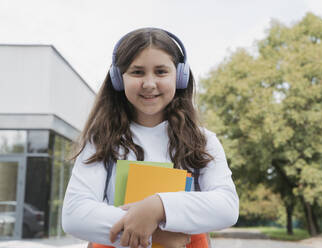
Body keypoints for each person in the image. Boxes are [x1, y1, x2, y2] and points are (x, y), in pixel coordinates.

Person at [61, 27, 239, 248]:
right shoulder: (101, 141)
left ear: (180, 76)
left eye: (161, 72)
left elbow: (227, 207)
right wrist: (156, 235)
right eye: (137, 72)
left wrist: (159, 207)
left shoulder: (204, 141)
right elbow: (74, 214)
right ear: (118, 79)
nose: (149, 83)